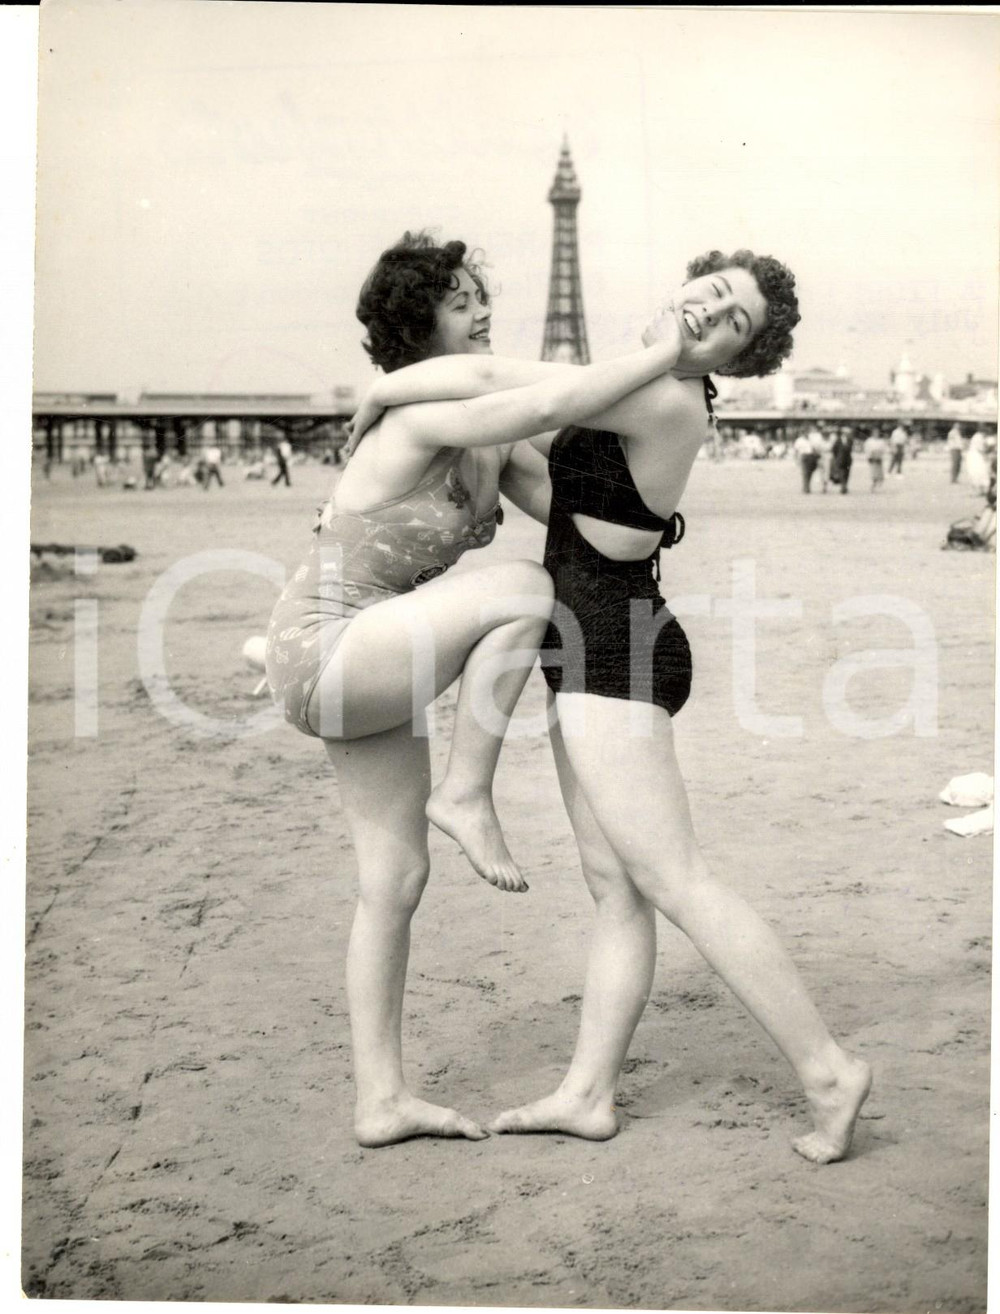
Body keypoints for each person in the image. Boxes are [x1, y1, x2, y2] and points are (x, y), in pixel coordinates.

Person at [358, 247, 872, 1164]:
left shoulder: (664, 396)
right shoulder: (648, 390)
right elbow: (554, 498)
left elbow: (494, 381)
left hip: (613, 650)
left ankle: (829, 1069)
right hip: (603, 635)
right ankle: (589, 1093)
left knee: (676, 880)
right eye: (709, 294)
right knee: (617, 886)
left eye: (733, 323)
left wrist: (388, 396)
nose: (709, 314)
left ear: (736, 361)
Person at [266, 232, 685, 1147]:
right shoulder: (422, 419)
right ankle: (465, 790)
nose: (481, 308)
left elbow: (587, 517)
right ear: (421, 323)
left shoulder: (483, 443)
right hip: (326, 644)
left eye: (478, 292)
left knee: (395, 879)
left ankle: (381, 1100)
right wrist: (667, 357)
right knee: (527, 594)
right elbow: (558, 396)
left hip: (369, 659)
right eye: (460, 301)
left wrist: (665, 474)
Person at [830, 428, 854, 494]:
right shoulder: (838, 440)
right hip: (840, 459)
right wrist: (837, 457)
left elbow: (850, 449)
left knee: (847, 474)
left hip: (847, 460)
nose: (847, 434)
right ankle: (843, 487)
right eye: (846, 433)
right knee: (841, 473)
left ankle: (845, 485)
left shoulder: (850, 440)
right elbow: (834, 449)